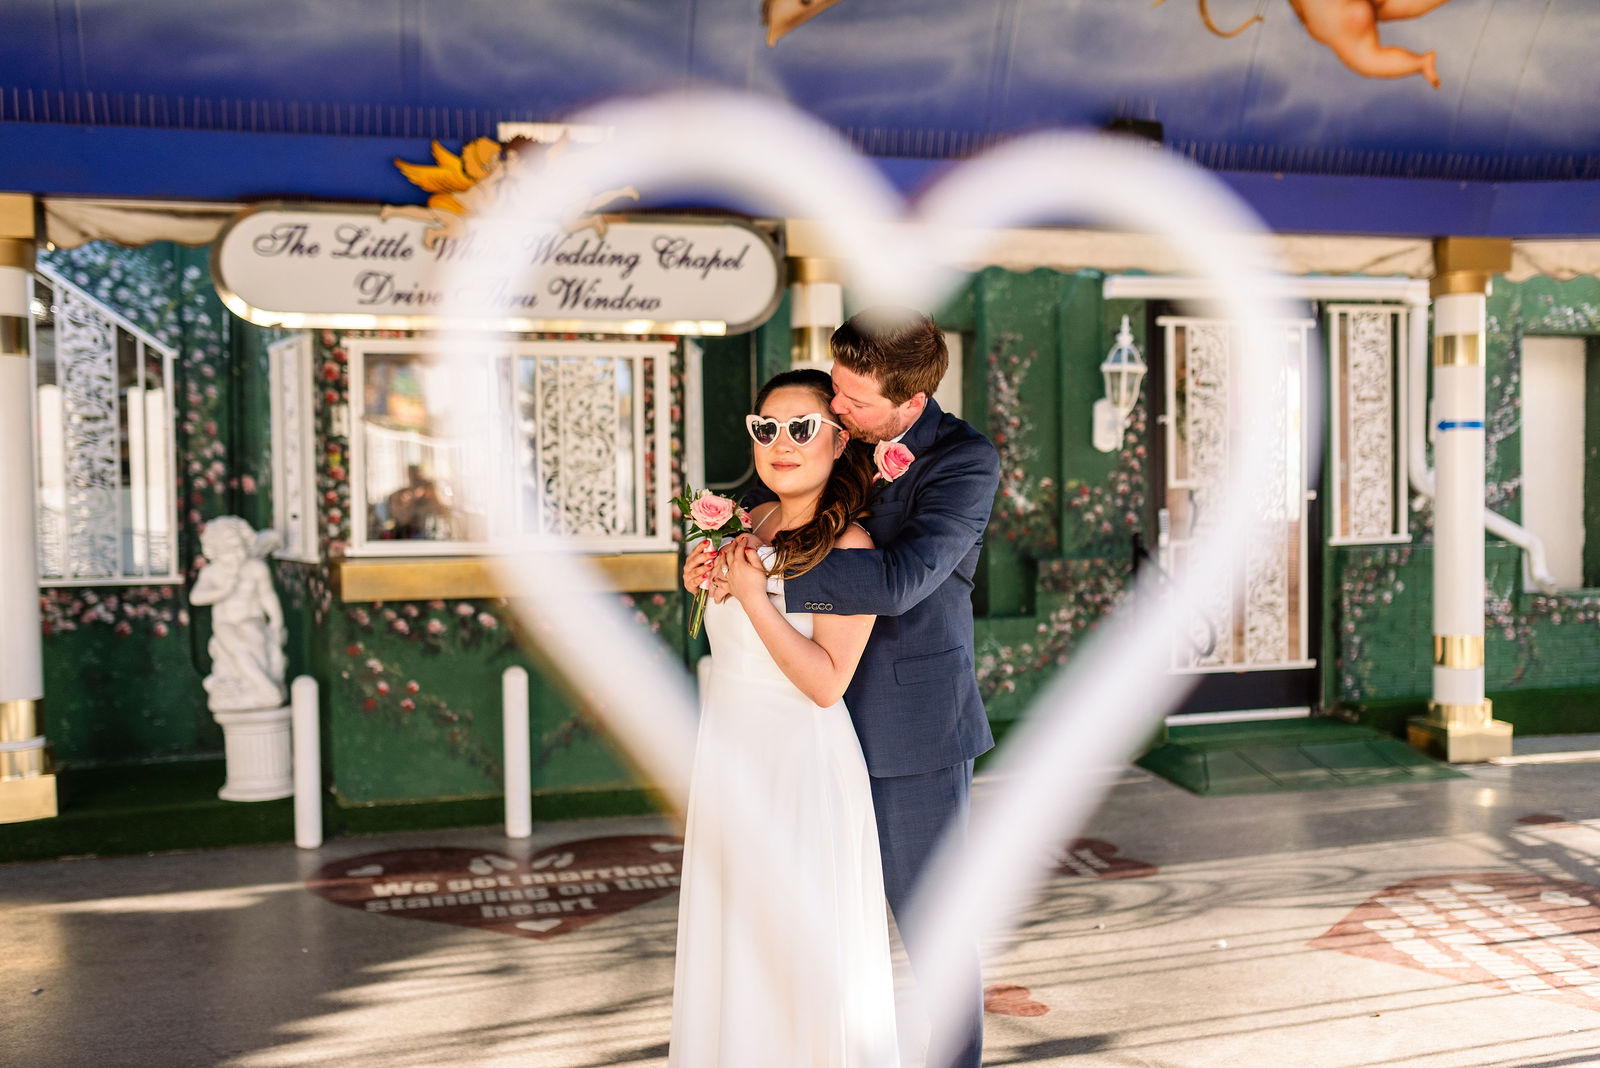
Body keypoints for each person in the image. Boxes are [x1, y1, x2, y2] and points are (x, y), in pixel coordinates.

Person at [694, 307, 999, 1068]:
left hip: (907, 727)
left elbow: (896, 582)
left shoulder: (964, 461)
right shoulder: (844, 435)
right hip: (802, 735)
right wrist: (734, 551)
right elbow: (782, 494)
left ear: (910, 401)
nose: (836, 408)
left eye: (853, 400)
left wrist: (765, 565)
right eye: (835, 387)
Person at [669, 369, 899, 1068]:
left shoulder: (850, 549)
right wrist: (703, 582)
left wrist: (753, 597)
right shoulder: (749, 525)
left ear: (837, 443)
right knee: (735, 938)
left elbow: (827, 684)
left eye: (802, 428)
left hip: (800, 770)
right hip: (731, 757)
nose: (782, 442)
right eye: (766, 428)